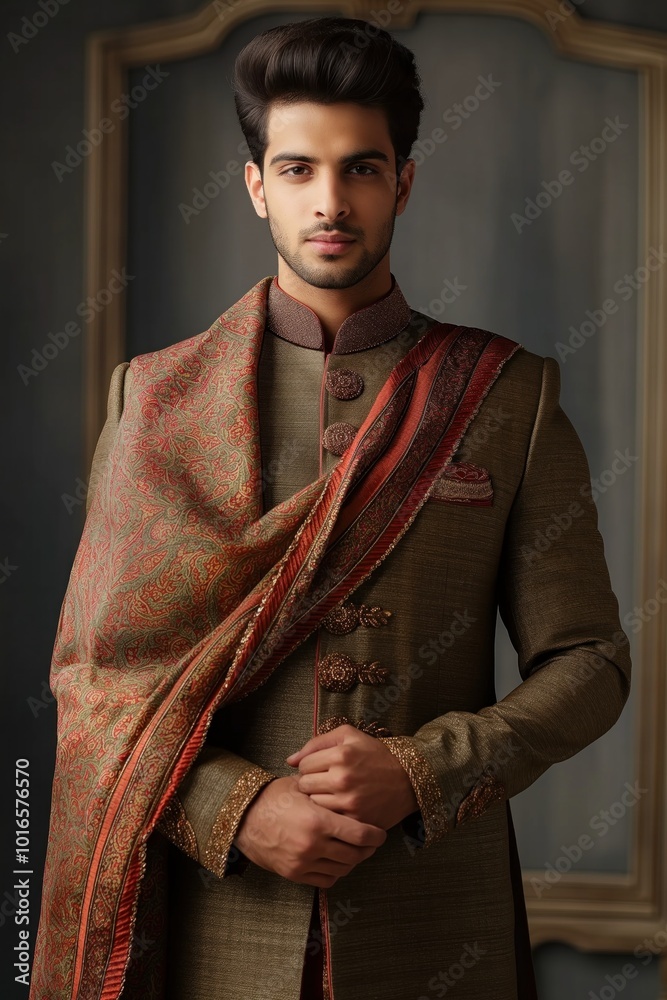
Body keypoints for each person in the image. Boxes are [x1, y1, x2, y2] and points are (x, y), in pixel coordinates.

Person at [30, 15, 631, 1000]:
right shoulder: (157, 397)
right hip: (215, 935)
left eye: (360, 169)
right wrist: (232, 805)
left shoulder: (503, 394)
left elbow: (591, 663)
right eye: (299, 169)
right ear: (257, 184)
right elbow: (95, 682)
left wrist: (424, 768)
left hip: (437, 932)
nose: (331, 202)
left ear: (402, 180)